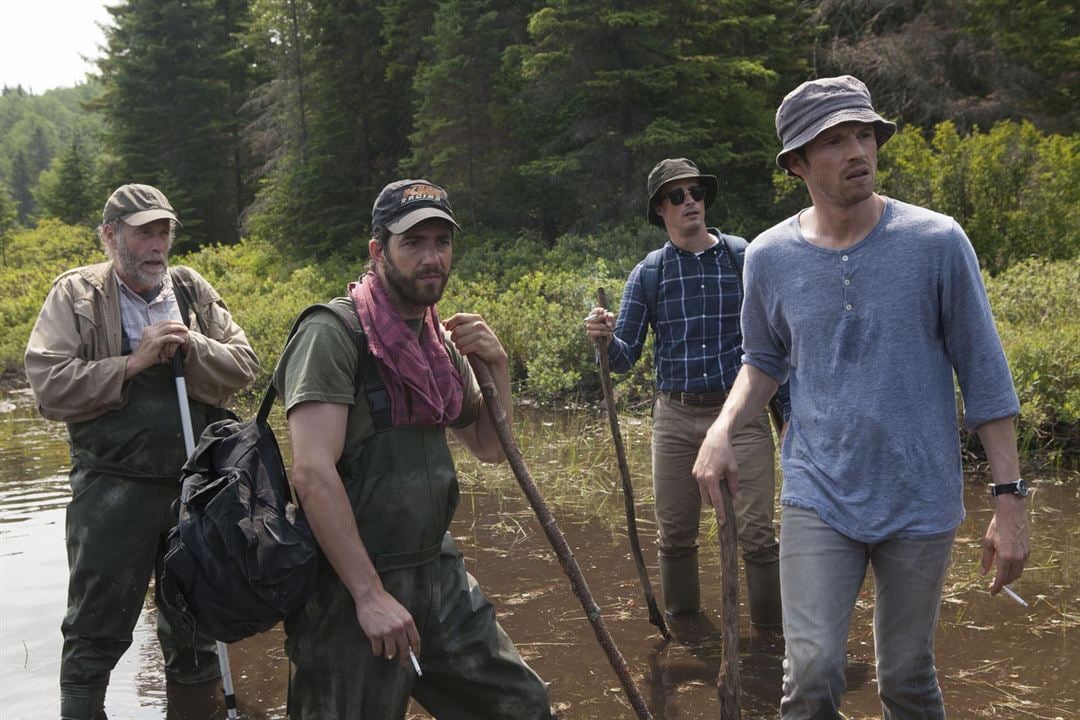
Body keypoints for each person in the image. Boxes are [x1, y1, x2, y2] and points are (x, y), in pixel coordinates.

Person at [693, 75, 1029, 718]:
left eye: (865, 135)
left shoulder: (936, 241)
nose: (858, 152)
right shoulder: (768, 255)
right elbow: (763, 360)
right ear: (796, 163)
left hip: (919, 493)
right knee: (812, 675)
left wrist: (1008, 503)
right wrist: (722, 429)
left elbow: (984, 373)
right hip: (819, 487)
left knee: (906, 678)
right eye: (835, 141)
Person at [274, 179, 552, 719]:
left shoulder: (436, 341)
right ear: (378, 251)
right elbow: (310, 472)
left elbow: (490, 448)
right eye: (414, 242)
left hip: (436, 570)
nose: (432, 258)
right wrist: (369, 595)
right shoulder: (333, 333)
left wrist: (496, 367)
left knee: (521, 705)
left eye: (442, 242)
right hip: (348, 582)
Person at [24, 183, 259, 720]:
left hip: (195, 489)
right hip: (112, 490)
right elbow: (49, 387)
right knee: (94, 631)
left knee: (196, 630)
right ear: (111, 236)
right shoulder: (76, 295)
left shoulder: (190, 289)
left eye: (163, 232)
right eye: (143, 232)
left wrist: (192, 346)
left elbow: (245, 365)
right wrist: (134, 362)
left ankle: (196, 706)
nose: (157, 245)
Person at [583, 158, 788, 639]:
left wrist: (789, 414)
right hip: (674, 418)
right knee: (675, 535)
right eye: (677, 196)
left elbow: (777, 344)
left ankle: (770, 638)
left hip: (740, 414)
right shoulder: (649, 274)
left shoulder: (744, 259)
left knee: (757, 535)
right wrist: (602, 338)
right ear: (660, 210)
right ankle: (687, 637)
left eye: (695, 192)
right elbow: (623, 358)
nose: (689, 201)